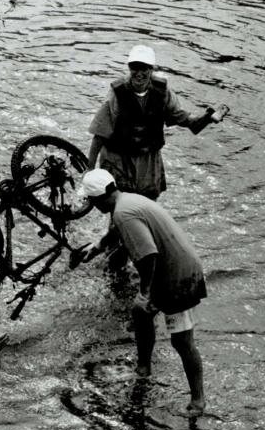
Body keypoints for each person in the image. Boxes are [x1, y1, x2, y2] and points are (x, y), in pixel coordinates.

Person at [78, 168, 206, 415]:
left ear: (98, 199)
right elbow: (115, 231)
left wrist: (145, 292)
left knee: (182, 341)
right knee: (141, 314)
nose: (92, 206)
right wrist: (96, 248)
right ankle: (143, 368)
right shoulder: (126, 201)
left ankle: (198, 400)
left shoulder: (124, 213)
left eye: (91, 202)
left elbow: (148, 255)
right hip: (172, 269)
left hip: (177, 277)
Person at [86, 44, 227, 200]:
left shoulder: (162, 92)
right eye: (134, 67)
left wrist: (207, 118)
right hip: (118, 158)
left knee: (148, 204)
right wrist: (90, 169)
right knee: (120, 207)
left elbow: (182, 118)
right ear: (129, 68)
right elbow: (100, 133)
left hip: (148, 159)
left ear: (151, 69)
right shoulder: (117, 93)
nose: (139, 73)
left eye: (144, 68)